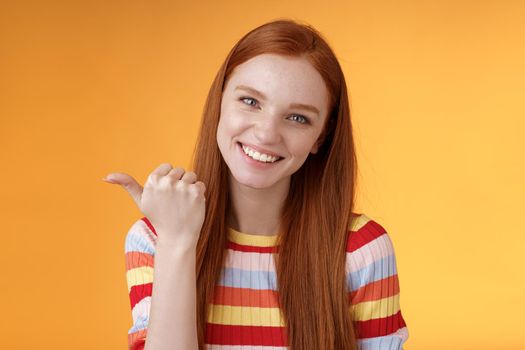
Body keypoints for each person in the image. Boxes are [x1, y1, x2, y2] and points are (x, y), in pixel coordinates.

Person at [103, 19, 409, 350]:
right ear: (219, 100)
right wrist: (176, 242)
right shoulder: (153, 238)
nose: (266, 133)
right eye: (250, 101)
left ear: (321, 136)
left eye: (298, 118)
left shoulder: (361, 251)